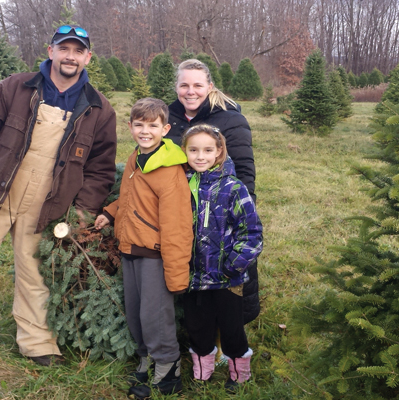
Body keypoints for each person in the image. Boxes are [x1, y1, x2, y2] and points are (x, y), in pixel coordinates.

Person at [0, 24, 117, 368]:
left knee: (37, 274)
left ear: (87, 57)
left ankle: (38, 343)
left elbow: (100, 168)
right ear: (50, 51)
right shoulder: (15, 88)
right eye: (64, 49)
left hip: (49, 204)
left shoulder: (98, 108)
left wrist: (83, 210)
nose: (70, 56)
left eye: (77, 51)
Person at [94, 98, 193, 399]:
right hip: (130, 248)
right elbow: (131, 197)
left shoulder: (169, 170)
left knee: (155, 314)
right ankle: (146, 358)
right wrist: (111, 211)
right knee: (136, 311)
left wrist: (176, 274)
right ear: (130, 127)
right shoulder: (137, 158)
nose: (145, 131)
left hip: (154, 254)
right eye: (139, 125)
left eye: (152, 125)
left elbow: (177, 226)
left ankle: (168, 369)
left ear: (166, 128)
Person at [166, 59, 261, 324]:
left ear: (209, 86)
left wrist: (241, 214)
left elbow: (243, 168)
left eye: (197, 85)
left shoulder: (231, 119)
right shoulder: (168, 119)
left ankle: (229, 335)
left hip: (220, 212)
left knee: (224, 274)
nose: (190, 91)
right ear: (176, 87)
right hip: (182, 210)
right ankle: (193, 328)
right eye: (184, 85)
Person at [181, 124, 262, 392]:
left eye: (207, 150)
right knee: (197, 326)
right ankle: (201, 372)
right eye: (193, 150)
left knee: (232, 329)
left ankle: (239, 374)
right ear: (185, 152)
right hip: (194, 277)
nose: (200, 156)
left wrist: (233, 265)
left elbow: (251, 232)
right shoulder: (182, 185)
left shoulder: (233, 188)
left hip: (227, 278)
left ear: (219, 152)